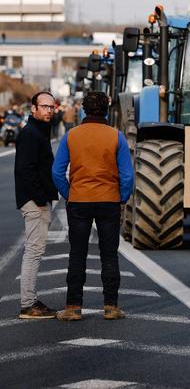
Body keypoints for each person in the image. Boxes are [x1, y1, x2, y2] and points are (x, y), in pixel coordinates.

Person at [52, 91, 134, 321]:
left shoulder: (72, 135)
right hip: (108, 200)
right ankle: (111, 307)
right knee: (109, 255)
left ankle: (73, 307)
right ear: (107, 109)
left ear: (84, 109)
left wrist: (69, 193)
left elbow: (57, 171)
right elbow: (127, 175)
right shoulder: (115, 136)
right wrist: (122, 197)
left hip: (79, 200)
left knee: (77, 254)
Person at [15, 91, 59, 319]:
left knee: (35, 250)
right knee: (34, 251)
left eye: (52, 107)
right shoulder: (31, 133)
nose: (49, 111)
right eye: (44, 107)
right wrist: (41, 199)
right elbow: (26, 170)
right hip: (34, 202)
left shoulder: (39, 131)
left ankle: (30, 301)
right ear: (33, 108)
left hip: (36, 199)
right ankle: (28, 304)